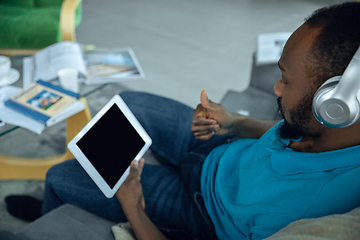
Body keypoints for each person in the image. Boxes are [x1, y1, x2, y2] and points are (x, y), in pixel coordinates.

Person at [5, 2, 360, 240]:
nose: (276, 88)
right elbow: (283, 138)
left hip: (201, 208)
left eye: (286, 79)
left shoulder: (312, 209)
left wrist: (134, 207)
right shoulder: (321, 126)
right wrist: (233, 120)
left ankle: (47, 210)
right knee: (127, 105)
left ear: (336, 105)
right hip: (223, 152)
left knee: (61, 176)